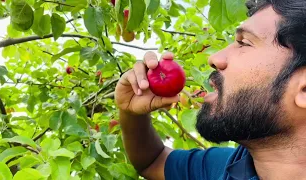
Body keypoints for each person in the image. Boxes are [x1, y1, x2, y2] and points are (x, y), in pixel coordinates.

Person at [114, 0, 306, 179]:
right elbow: (152, 161)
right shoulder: (226, 167)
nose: (214, 58)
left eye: (244, 43)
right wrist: (130, 113)